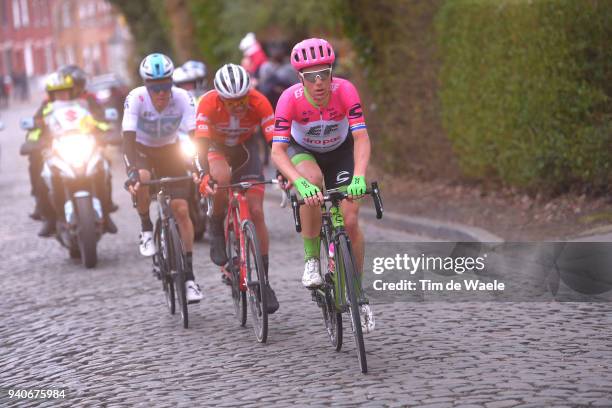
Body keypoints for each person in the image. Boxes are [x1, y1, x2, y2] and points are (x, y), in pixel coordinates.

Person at [271, 38, 374, 332]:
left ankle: (357, 291)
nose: (319, 83)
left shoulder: (346, 91)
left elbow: (361, 138)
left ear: (332, 72)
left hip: (340, 152)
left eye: (324, 74)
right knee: (313, 183)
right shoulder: (289, 99)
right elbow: (277, 152)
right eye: (310, 77)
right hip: (304, 152)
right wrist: (299, 184)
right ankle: (311, 260)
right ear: (299, 78)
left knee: (350, 220)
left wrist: (359, 176)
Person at [194, 63, 279, 313]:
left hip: (245, 149)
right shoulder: (207, 104)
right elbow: (199, 145)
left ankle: (263, 281)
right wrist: (203, 174)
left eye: (242, 99)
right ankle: (216, 226)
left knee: (256, 211)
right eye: (231, 101)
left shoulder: (260, 101)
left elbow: (275, 141)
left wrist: (284, 169)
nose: (238, 105)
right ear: (220, 97)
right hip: (216, 148)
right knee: (220, 178)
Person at [122, 53, 203, 303]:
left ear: (172, 82)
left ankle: (189, 278)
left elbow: (194, 136)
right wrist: (131, 171)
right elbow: (127, 138)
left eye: (165, 86)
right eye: (155, 87)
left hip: (170, 151)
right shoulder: (135, 98)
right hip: (143, 151)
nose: (161, 93)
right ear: (146, 85)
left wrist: (199, 167)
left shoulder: (182, 98)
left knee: (181, 209)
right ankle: (146, 228)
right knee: (142, 178)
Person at [39, 72, 117, 235]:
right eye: (58, 93)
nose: (62, 95)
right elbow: (36, 129)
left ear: (71, 92)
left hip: (84, 144)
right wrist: (35, 141)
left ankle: (106, 211)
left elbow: (97, 122)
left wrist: (107, 132)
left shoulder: (83, 107)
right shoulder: (45, 109)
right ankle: (50, 218)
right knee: (41, 174)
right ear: (51, 95)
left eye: (65, 92)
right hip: (57, 149)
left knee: (104, 166)